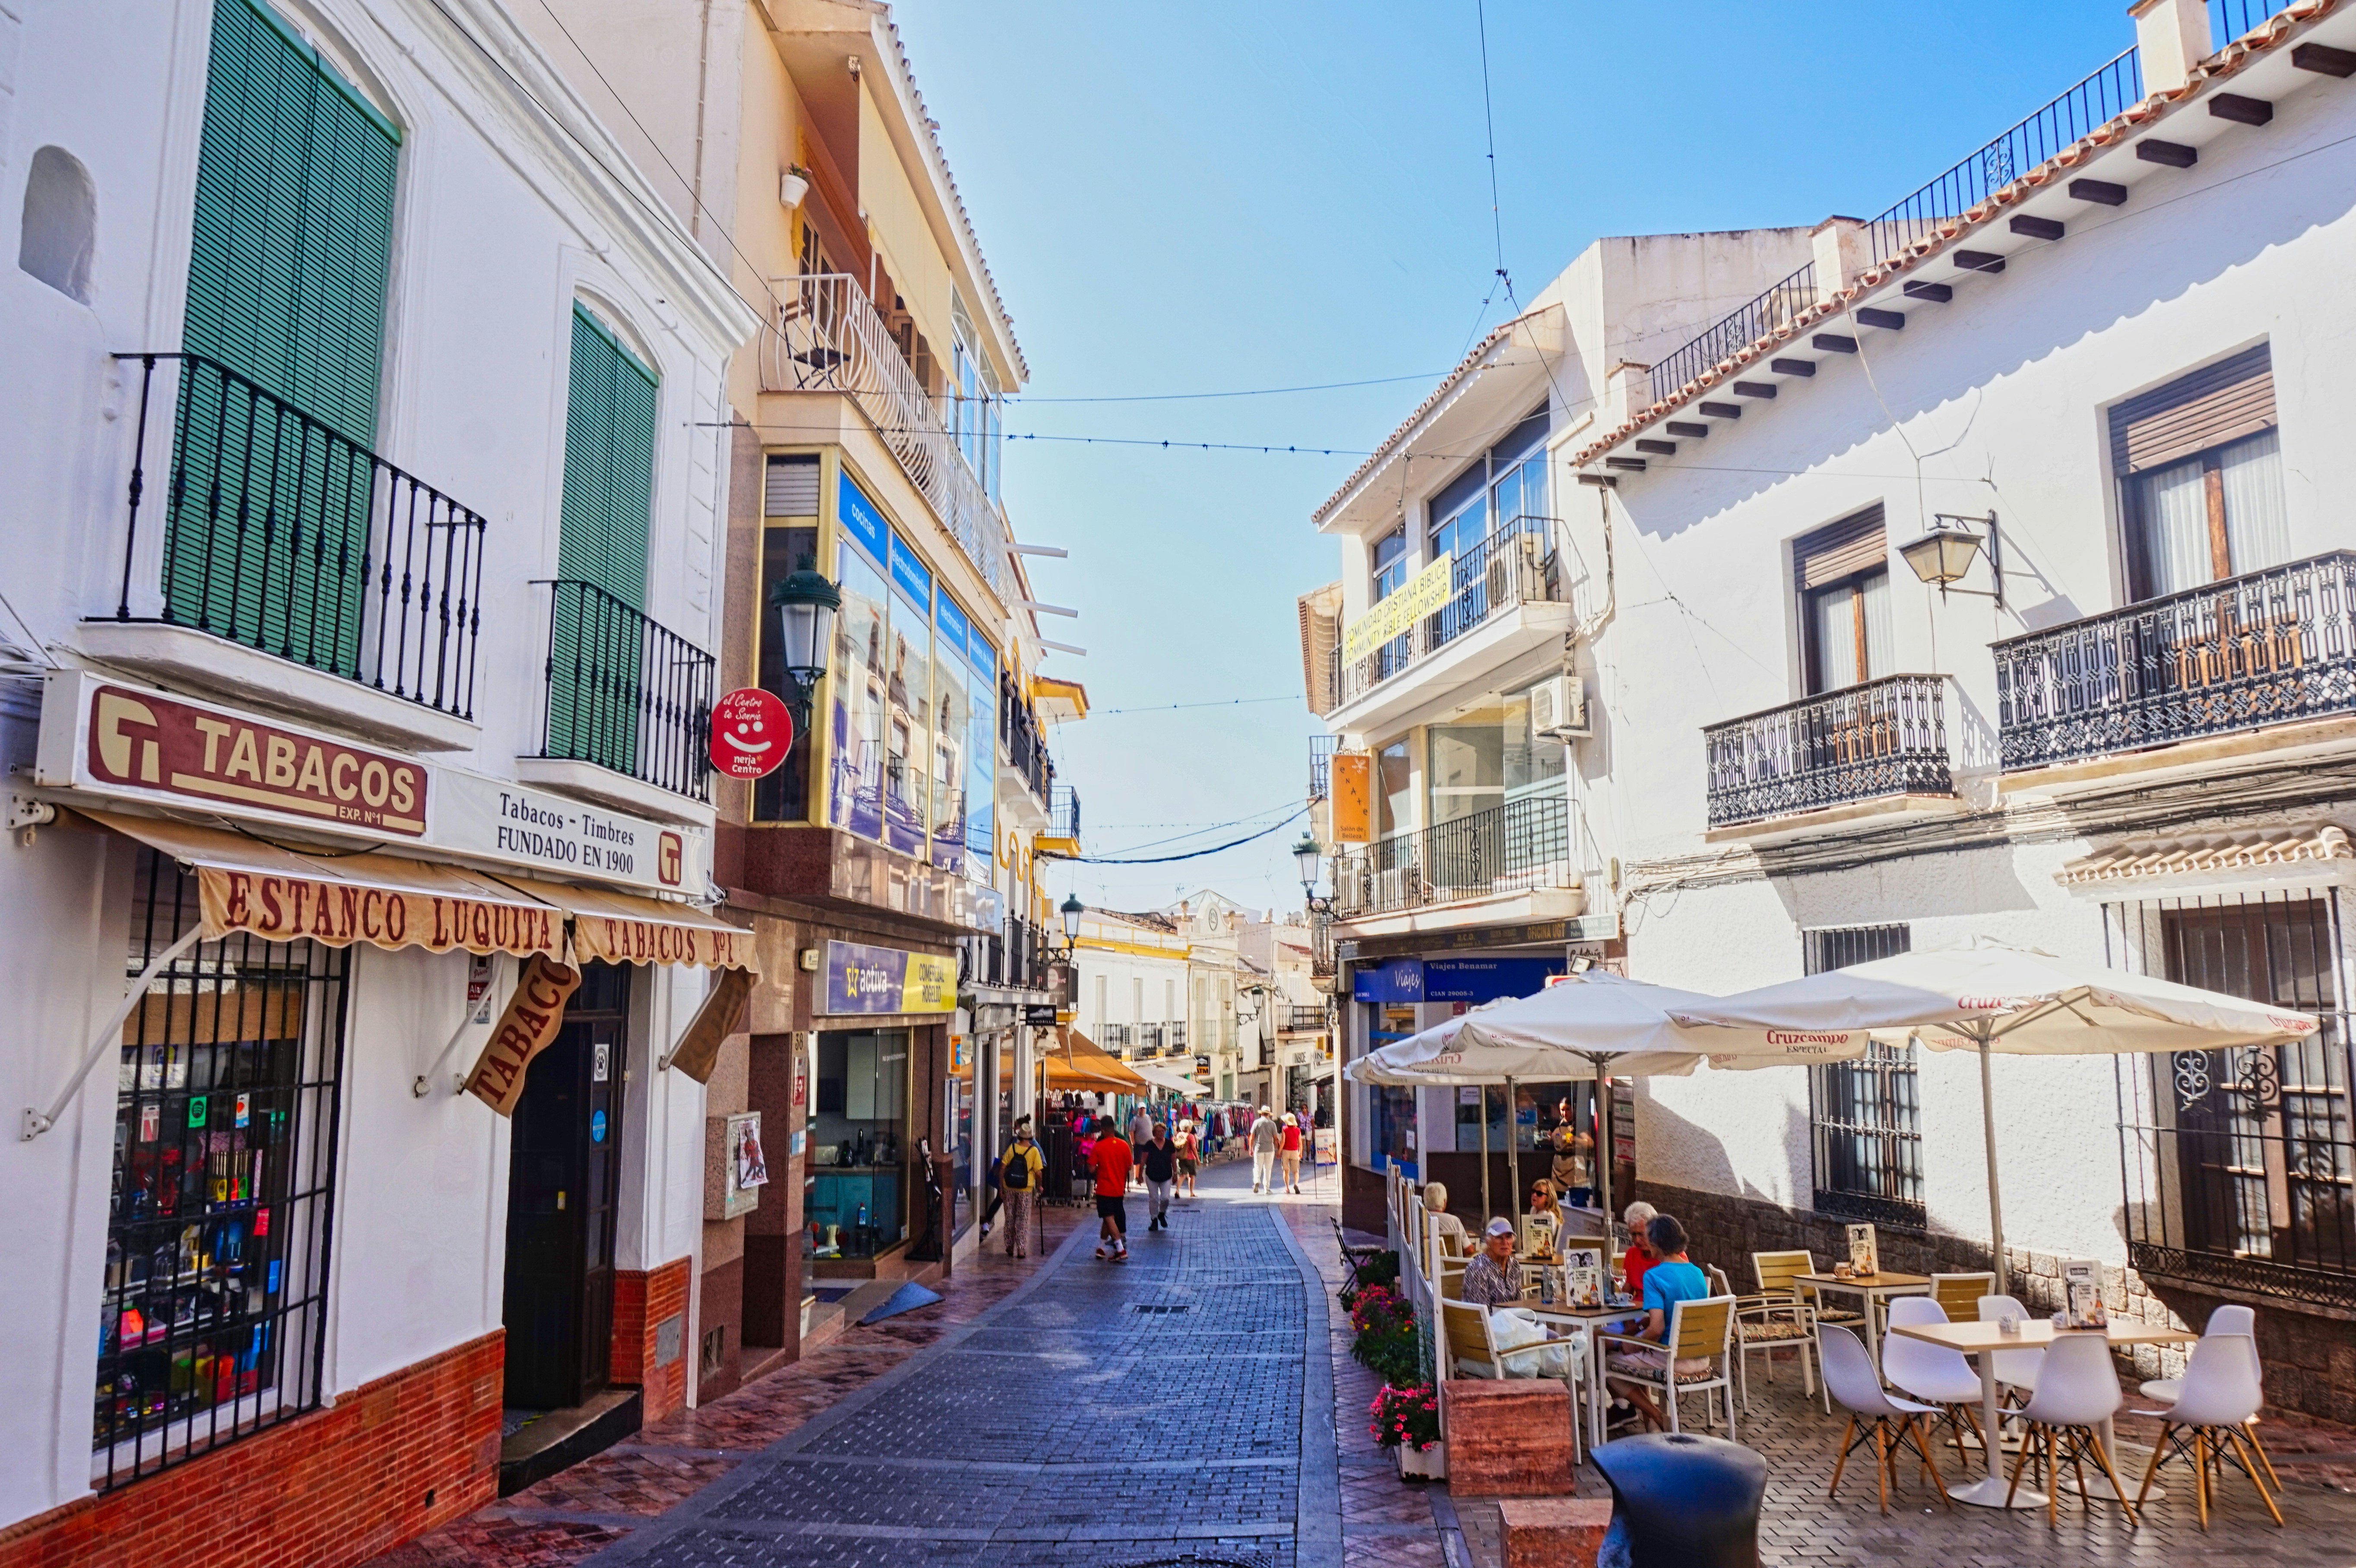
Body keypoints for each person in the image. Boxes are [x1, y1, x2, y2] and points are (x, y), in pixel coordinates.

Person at [1604, 1214, 1712, 1429]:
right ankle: (1653, 1424)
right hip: (1701, 1358)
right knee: (1633, 1356)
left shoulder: (1654, 1276)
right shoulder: (1697, 1273)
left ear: (1656, 1242)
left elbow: (1657, 1329)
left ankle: (1658, 1417)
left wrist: (1633, 1345)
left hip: (1672, 1361)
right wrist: (1639, 1330)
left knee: (1606, 1363)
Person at [1090, 1115, 1133, 1262]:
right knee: (1108, 1218)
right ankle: (1101, 1247)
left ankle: (1120, 1249)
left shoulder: (1099, 1146)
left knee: (1108, 1218)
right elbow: (1129, 1166)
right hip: (1119, 1189)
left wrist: (1099, 1168)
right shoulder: (1124, 1145)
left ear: (1103, 1130)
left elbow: (1091, 1168)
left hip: (1105, 1189)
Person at [998, 1125, 1044, 1258]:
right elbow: (1039, 1173)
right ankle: (1021, 1249)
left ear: (1019, 1136)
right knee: (1022, 1219)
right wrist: (1039, 1187)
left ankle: (1009, 1245)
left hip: (1009, 1187)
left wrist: (1001, 1187)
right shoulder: (1034, 1151)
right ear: (1030, 1137)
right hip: (1026, 1189)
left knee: (1010, 1218)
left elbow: (1003, 1168)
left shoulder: (1012, 1148)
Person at [1461, 1217, 1524, 1307]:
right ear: (1488, 1242)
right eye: (1499, 1238)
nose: (1505, 1242)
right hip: (1488, 1316)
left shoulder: (1514, 1265)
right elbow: (1481, 1310)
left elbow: (1519, 1302)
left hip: (1512, 1315)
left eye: (1509, 1237)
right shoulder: (1478, 1268)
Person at [1141, 1122, 1178, 1232]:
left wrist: (1175, 1173)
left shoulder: (1169, 1144)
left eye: (1163, 1131)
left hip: (1166, 1175)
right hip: (1151, 1175)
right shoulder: (1149, 1144)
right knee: (1153, 1198)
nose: (1161, 1133)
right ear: (1154, 1133)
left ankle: (1162, 1213)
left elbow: (1173, 1160)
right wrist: (1139, 1175)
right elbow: (1143, 1160)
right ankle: (1154, 1220)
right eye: (1158, 1131)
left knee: (1165, 1198)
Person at [1619, 1201, 1659, 1300]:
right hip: (1636, 1308)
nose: (1637, 1240)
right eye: (1633, 1234)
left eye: (1642, 1234)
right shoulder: (1632, 1254)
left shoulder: (1672, 1255)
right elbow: (1626, 1294)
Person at [1422, 1182, 1470, 1257]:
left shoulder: (1420, 1218)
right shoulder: (1454, 1221)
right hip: (1451, 1264)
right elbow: (1469, 1250)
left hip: (1425, 1261)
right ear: (1445, 1202)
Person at [1249, 1105, 1280, 1193]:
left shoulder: (1256, 1123)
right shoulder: (1273, 1124)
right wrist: (1279, 1150)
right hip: (1270, 1149)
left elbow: (1252, 1137)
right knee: (1268, 1169)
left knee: (1257, 1167)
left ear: (1262, 1113)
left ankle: (1256, 1181)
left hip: (1259, 1148)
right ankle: (1267, 1188)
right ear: (1269, 1114)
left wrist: (1251, 1148)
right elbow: (1276, 1138)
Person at [1127, 1103, 1154, 1188]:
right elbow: (1131, 1132)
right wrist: (1133, 1143)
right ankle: (1136, 1178)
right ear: (1138, 1110)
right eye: (1141, 1108)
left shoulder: (1148, 1117)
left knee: (1150, 1161)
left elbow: (1151, 1129)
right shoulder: (1135, 1120)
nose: (1143, 1110)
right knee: (1137, 1162)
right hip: (1139, 1145)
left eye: (1144, 1108)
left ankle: (1149, 1177)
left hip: (1149, 1144)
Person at [1279, 1112, 1304, 1194]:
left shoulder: (1284, 1129)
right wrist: (1301, 1153)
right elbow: (1300, 1143)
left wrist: (1279, 1152)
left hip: (1286, 1151)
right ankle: (1296, 1184)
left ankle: (1287, 1188)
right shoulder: (1298, 1130)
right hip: (1295, 1151)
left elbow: (1283, 1142)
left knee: (1286, 1171)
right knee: (1296, 1171)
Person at [1174, 1119, 1200, 1198]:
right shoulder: (1190, 1136)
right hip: (1190, 1158)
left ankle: (1177, 1190)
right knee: (1192, 1176)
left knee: (1182, 1175)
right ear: (1189, 1128)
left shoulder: (1179, 1135)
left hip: (1181, 1158)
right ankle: (1191, 1192)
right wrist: (1198, 1159)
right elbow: (1194, 1148)